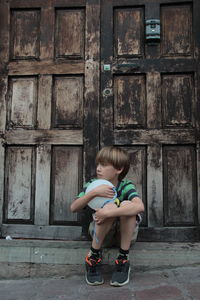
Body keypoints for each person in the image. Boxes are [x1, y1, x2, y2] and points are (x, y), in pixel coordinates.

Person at [70, 146, 144, 287]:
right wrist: (93, 193)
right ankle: (93, 257)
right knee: (110, 206)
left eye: (103, 165)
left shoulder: (126, 185)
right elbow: (73, 207)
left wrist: (108, 213)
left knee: (128, 205)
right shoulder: (93, 185)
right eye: (98, 164)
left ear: (119, 169)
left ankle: (123, 259)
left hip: (125, 237)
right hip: (102, 236)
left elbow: (140, 207)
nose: (98, 168)